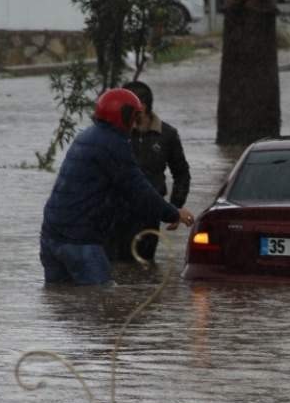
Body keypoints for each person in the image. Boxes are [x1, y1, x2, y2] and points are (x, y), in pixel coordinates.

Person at [39, 88, 195, 286]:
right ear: (125, 116)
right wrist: (174, 213)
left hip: (51, 236)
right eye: (134, 116)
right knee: (102, 300)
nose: (135, 123)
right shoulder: (113, 143)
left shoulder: (87, 135)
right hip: (80, 239)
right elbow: (139, 190)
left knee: (64, 305)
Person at [105, 80, 192, 263]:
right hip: (116, 213)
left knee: (143, 266)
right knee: (114, 266)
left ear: (142, 107)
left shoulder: (167, 135)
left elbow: (181, 173)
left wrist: (175, 206)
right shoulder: (115, 133)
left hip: (150, 214)